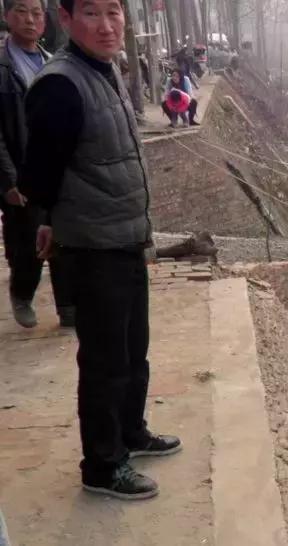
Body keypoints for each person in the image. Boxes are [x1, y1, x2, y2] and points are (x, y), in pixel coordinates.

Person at [19, 0, 180, 501]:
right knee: (106, 361)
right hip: (93, 247)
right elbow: (38, 176)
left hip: (125, 237)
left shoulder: (103, 70)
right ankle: (103, 465)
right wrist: (52, 222)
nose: (107, 25)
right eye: (92, 13)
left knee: (134, 350)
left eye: (114, 12)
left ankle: (131, 432)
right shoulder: (61, 85)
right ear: (65, 20)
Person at [0, 0, 73, 328]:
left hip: (55, 170)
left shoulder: (52, 62)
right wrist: (8, 179)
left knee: (64, 235)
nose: (30, 20)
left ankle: (68, 308)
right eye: (21, 11)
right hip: (20, 171)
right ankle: (21, 292)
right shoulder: (3, 69)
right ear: (6, 17)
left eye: (36, 13)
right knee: (27, 242)